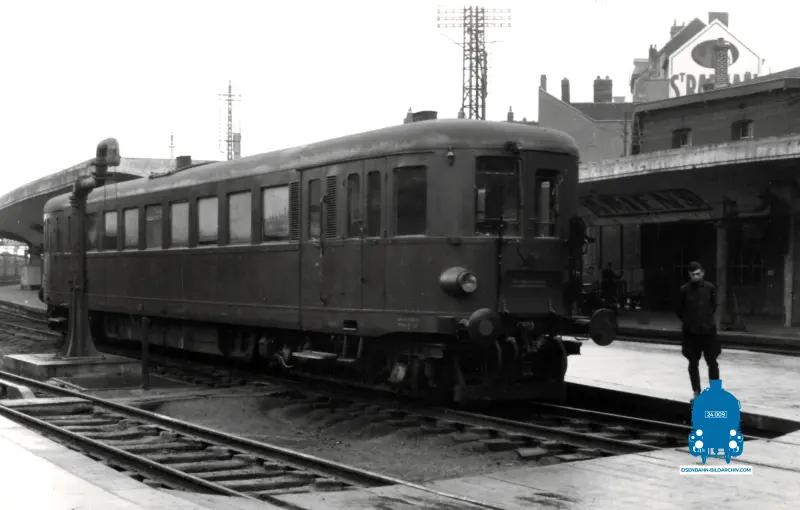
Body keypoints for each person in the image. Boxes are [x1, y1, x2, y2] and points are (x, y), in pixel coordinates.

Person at [676, 261, 720, 400]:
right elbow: (679, 310)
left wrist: (706, 320)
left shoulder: (710, 288)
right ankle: (696, 392)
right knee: (693, 362)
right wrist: (689, 321)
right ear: (689, 275)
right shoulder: (684, 290)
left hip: (708, 332)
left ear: (702, 273)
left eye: (698, 274)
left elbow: (713, 306)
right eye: (693, 275)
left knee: (712, 362)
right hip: (691, 333)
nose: (695, 277)